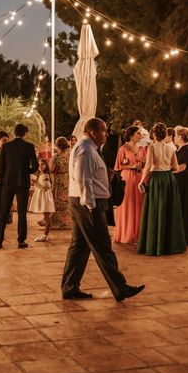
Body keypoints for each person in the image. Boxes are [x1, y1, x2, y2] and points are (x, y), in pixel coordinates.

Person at [62, 118, 144, 302]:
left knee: (79, 247)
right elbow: (83, 179)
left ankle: (70, 286)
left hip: (82, 202)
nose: (106, 134)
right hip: (88, 204)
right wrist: (90, 205)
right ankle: (120, 287)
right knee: (103, 247)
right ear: (93, 132)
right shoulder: (85, 149)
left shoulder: (89, 148)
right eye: (104, 131)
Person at [137, 122, 187, 256]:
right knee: (169, 211)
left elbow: (147, 167)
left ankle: (155, 245)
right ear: (165, 135)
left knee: (155, 210)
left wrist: (141, 181)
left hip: (156, 179)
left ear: (153, 134)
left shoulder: (152, 147)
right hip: (169, 179)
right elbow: (176, 167)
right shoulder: (171, 148)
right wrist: (166, 168)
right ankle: (170, 245)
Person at [0, 124, 38, 249]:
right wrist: (26, 171)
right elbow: (35, 166)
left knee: (3, 211)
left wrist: (2, 181)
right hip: (22, 183)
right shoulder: (29, 147)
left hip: (7, 183)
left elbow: (1, 167)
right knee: (22, 213)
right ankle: (21, 241)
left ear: (14, 133)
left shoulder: (6, 146)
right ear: (25, 134)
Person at [113, 126, 146, 244]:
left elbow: (146, 163)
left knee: (139, 206)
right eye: (138, 133)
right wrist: (133, 166)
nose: (140, 135)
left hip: (140, 178)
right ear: (131, 135)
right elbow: (118, 166)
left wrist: (143, 165)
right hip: (127, 179)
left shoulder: (143, 149)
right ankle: (126, 234)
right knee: (127, 205)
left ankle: (138, 235)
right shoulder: (123, 149)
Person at [30, 159, 55, 242]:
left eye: (43, 164)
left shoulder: (46, 175)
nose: (40, 166)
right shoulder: (42, 174)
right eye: (39, 164)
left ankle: (45, 235)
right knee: (45, 217)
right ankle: (46, 234)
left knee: (47, 218)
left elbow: (46, 187)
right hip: (44, 197)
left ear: (46, 165)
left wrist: (35, 183)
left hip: (45, 198)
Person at [49, 137, 71, 230]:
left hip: (58, 180)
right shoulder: (70, 155)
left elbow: (51, 169)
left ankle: (58, 222)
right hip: (68, 179)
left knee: (57, 201)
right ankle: (67, 221)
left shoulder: (56, 156)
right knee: (66, 201)